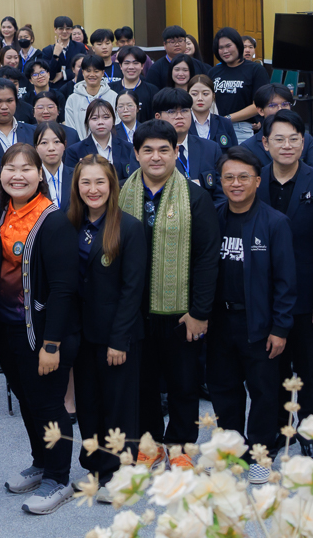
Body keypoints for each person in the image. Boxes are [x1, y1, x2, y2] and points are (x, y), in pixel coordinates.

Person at [0, 146, 79, 514]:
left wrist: (51, 344)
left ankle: (59, 477)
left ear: (40, 175)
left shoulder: (53, 220)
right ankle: (41, 462)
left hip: (42, 334)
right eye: (11, 168)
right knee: (27, 400)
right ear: (1, 174)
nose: (18, 175)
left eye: (27, 168)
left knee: (49, 403)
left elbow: (63, 288)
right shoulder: (2, 211)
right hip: (9, 329)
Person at [127, 119, 220, 452]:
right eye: (148, 150)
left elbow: (208, 258)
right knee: (142, 383)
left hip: (181, 312)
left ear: (176, 152)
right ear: (136, 153)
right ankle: (150, 444)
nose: (156, 157)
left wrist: (200, 312)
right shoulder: (121, 195)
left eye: (164, 150)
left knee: (184, 383)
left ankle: (181, 445)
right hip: (135, 311)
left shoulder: (195, 197)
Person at [207, 149, 297, 484]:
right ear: (220, 181)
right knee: (223, 391)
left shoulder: (275, 223)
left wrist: (280, 328)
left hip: (259, 324)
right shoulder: (213, 217)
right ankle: (232, 452)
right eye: (229, 177)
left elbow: (286, 282)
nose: (236, 183)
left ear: (258, 181)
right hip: (219, 322)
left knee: (263, 392)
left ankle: (261, 455)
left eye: (244, 177)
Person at [256, 110, 313, 456]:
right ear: (265, 143)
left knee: (308, 370)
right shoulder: (254, 181)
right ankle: (279, 430)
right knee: (271, 369)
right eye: (279, 139)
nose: (287, 145)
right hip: (265, 296)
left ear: (303, 142)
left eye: (294, 138)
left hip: (307, 297)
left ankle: (309, 434)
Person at [62, 156, 147, 486]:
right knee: (89, 404)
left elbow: (132, 290)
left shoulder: (129, 227)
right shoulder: (69, 224)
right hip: (81, 335)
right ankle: (95, 465)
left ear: (112, 185)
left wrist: (118, 340)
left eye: (100, 182)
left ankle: (120, 471)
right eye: (85, 182)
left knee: (118, 405)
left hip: (116, 335)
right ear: (76, 186)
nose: (93, 189)